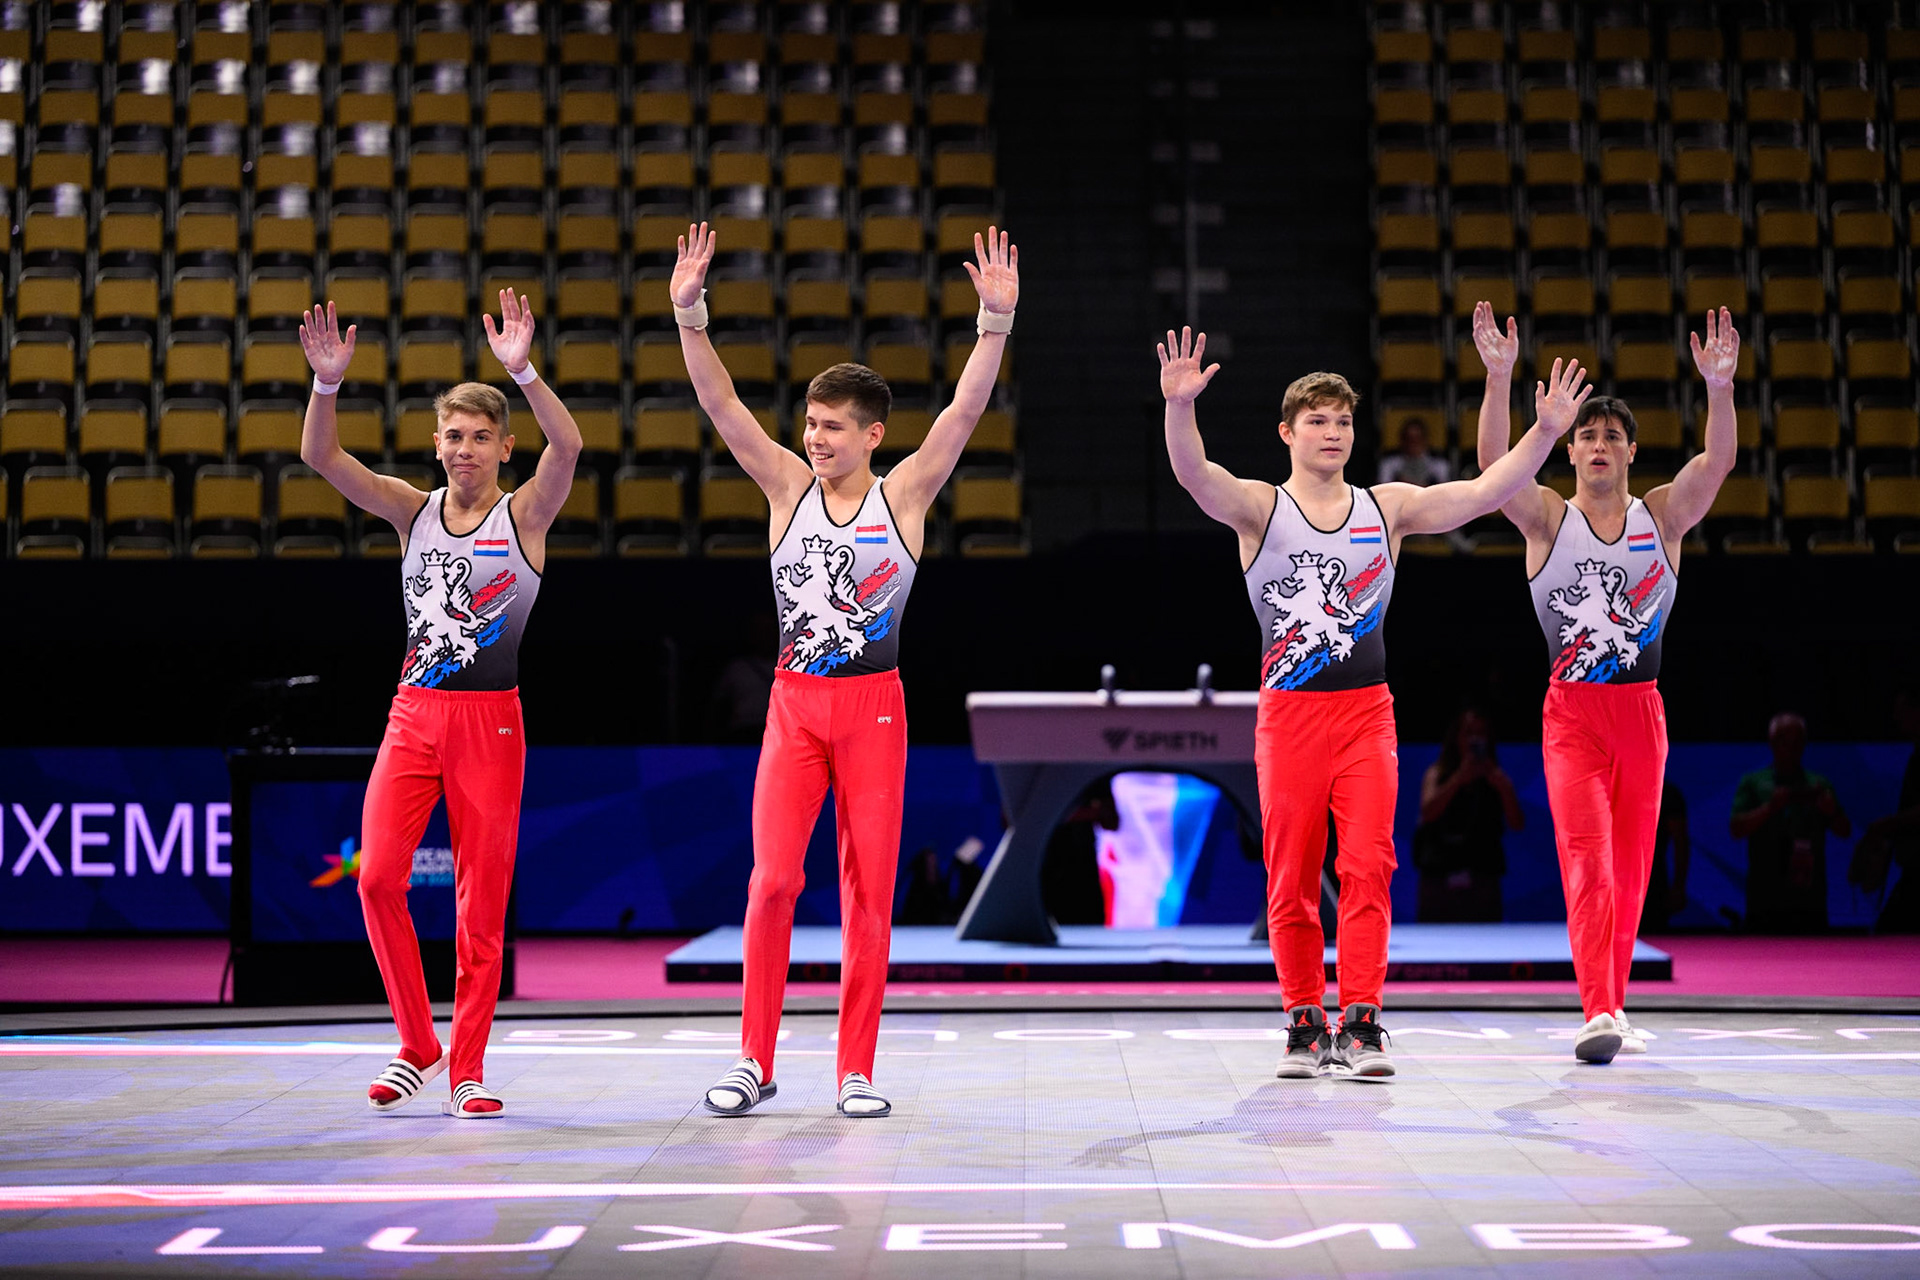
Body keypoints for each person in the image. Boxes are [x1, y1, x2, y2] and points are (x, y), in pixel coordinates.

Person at [1157, 326, 1591, 1079]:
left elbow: (1486, 493)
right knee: (1291, 873)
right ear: (1288, 432)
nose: (1333, 432)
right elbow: (1194, 474)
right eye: (1318, 420)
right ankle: (1302, 1020)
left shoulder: (1385, 508)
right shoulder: (1261, 509)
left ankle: (1359, 1021)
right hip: (1289, 714)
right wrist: (1180, 406)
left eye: (1344, 420)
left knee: (1368, 865)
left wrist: (1545, 430)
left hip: (1365, 713)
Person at [675, 222, 1019, 1118]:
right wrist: (690, 316)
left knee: (869, 889)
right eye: (810, 424)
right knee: (774, 881)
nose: (814, 438)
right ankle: (754, 1057)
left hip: (872, 709)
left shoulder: (904, 495)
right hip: (795, 707)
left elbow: (962, 417)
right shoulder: (785, 487)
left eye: (831, 427)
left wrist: (994, 324)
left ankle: (855, 1069)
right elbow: (722, 409)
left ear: (872, 435)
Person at [297, 292, 583, 1117]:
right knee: (377, 877)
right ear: (436, 444)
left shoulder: (525, 515)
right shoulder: (410, 511)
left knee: (478, 903)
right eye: (452, 437)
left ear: (503, 446)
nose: (464, 450)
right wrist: (326, 388)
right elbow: (323, 460)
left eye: (479, 437)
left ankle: (466, 1065)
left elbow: (569, 444)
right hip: (414, 715)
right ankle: (417, 1040)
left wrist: (523, 370)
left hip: (490, 722)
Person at [1474, 301, 1742, 1064]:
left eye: (1610, 436)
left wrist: (1719, 392)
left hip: (1642, 713)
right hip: (1573, 716)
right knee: (1587, 857)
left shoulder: (1663, 515)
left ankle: (1614, 1002)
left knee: (1630, 872)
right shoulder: (1546, 521)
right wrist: (1499, 379)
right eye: (1585, 436)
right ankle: (1596, 1010)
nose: (1597, 445)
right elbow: (1495, 470)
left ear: (1631, 451)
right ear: (1569, 453)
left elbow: (1716, 463)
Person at [1731, 712, 1851, 933]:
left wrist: (1831, 812)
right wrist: (1770, 808)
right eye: (1785, 741)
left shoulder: (1818, 784)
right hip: (1765, 894)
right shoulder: (1754, 782)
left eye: (1798, 742)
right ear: (1772, 742)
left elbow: (1845, 830)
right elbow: (1736, 828)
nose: (1792, 748)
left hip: (1809, 893)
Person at [1414, 708, 1524, 923]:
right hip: (1439, 880)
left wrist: (1503, 788)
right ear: (1457, 737)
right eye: (1469, 733)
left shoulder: (1497, 778)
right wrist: (1458, 780)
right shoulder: (1438, 773)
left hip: (1482, 881)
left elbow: (1517, 823)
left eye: (1480, 733)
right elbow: (1427, 813)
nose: (1475, 739)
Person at [1851, 685, 1920, 932]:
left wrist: (1889, 824)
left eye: (1902, 710)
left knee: (1889, 932)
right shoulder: (1915, 756)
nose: (1896, 717)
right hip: (1912, 865)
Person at [1639, 781, 1691, 934]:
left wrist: (1679, 886)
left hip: (1654, 884)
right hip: (1614, 881)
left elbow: (1680, 841)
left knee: (1654, 937)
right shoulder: (1609, 788)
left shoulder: (1667, 793)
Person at [1376, 417, 1452, 487]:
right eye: (1409, 439)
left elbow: (1445, 494)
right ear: (1402, 440)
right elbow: (1383, 492)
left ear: (1425, 440)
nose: (1413, 443)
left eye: (1417, 438)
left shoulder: (1440, 466)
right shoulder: (1389, 465)